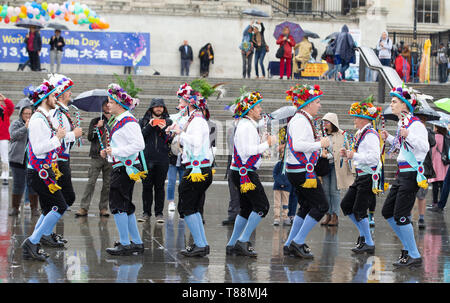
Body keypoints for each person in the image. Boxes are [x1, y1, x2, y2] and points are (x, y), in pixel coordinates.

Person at [381, 85, 430, 267]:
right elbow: (402, 146)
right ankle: (409, 248)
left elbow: (424, 147)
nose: (391, 105)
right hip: (402, 173)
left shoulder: (416, 125)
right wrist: (388, 138)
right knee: (387, 212)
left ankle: (414, 254)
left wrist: (408, 134)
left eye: (394, 102)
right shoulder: (403, 124)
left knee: (401, 215)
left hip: (411, 174)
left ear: (404, 105)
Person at [225, 90, 276, 257]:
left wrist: (262, 142)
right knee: (262, 207)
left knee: (246, 208)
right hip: (245, 173)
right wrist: (267, 144)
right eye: (258, 106)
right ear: (250, 110)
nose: (260, 109)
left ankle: (233, 244)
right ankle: (242, 241)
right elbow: (248, 151)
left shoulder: (245, 125)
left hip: (240, 171)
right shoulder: (246, 126)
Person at [21, 79, 67, 261]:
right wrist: (57, 138)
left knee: (49, 208)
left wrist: (61, 135)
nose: (56, 98)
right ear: (45, 98)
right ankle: (32, 241)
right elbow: (39, 148)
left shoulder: (44, 117)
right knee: (60, 206)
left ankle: (33, 242)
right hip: (39, 171)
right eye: (53, 95)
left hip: (44, 170)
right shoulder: (38, 120)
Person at [282, 84, 330, 259]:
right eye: (317, 102)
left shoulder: (301, 118)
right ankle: (298, 242)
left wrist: (318, 150)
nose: (320, 105)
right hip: (301, 172)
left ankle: (290, 244)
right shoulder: (301, 120)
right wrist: (320, 145)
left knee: (307, 206)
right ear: (308, 103)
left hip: (298, 170)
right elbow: (298, 145)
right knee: (321, 206)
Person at [166, 83, 213, 257]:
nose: (179, 105)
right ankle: (202, 244)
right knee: (192, 207)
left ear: (189, 103)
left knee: (187, 208)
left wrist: (180, 132)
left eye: (181, 101)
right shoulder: (193, 119)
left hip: (197, 169)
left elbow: (196, 142)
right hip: (196, 168)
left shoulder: (198, 120)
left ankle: (200, 244)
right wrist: (176, 131)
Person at [101, 83, 145, 256]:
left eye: (110, 102)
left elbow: (139, 144)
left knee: (118, 205)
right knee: (125, 204)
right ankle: (136, 242)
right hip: (120, 166)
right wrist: (108, 153)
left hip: (124, 169)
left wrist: (116, 152)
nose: (108, 105)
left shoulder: (129, 121)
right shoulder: (120, 121)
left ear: (119, 103)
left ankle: (125, 243)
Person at [340, 98, 381, 254]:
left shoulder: (371, 134)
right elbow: (358, 154)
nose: (354, 120)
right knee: (346, 205)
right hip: (361, 175)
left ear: (365, 119)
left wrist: (354, 155)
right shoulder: (361, 133)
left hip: (368, 176)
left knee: (359, 210)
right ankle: (365, 236)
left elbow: (374, 158)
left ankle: (368, 241)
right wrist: (349, 154)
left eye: (356, 117)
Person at [49, 74, 83, 211]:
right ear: (61, 94)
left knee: (62, 198)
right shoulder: (57, 112)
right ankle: (44, 228)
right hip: (58, 160)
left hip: (64, 158)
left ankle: (50, 227)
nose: (71, 93)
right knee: (67, 197)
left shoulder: (63, 112)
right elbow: (56, 136)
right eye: (68, 90)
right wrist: (73, 134)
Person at [75, 101, 113, 217]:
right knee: (91, 182)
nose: (107, 106)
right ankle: (83, 207)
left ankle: (103, 208)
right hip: (96, 156)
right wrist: (98, 127)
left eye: (109, 104)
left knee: (107, 184)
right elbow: (90, 137)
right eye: (105, 104)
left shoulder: (115, 121)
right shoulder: (95, 121)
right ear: (101, 107)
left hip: (110, 156)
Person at [138, 98, 172, 223]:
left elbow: (170, 140)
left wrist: (163, 128)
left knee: (159, 187)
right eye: (156, 106)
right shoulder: (143, 121)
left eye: (161, 107)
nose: (159, 109)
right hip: (146, 159)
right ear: (151, 108)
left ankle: (159, 213)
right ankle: (146, 212)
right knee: (146, 187)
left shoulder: (169, 121)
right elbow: (139, 137)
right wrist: (150, 126)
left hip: (162, 159)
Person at [320, 113, 353, 227]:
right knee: (326, 191)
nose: (324, 124)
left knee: (334, 191)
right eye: (323, 122)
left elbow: (345, 150)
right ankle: (327, 214)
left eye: (327, 122)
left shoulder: (342, 134)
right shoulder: (322, 134)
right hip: (325, 166)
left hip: (337, 167)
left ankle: (335, 215)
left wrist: (330, 155)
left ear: (333, 123)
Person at [8, 105, 39, 217]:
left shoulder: (36, 124)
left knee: (33, 184)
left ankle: (34, 208)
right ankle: (15, 208)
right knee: (18, 184)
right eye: (25, 114)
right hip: (17, 159)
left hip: (32, 159)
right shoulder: (16, 124)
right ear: (21, 114)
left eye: (30, 114)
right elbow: (12, 136)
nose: (27, 116)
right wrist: (25, 127)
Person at [413, 114, 436, 229]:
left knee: (421, 194)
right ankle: (408, 216)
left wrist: (424, 130)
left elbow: (432, 143)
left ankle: (421, 218)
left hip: (424, 167)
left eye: (423, 120)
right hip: (411, 165)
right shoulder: (411, 130)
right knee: (409, 193)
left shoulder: (428, 131)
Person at [222, 116, 241, 226]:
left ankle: (242, 214)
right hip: (232, 164)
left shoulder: (246, 127)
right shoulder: (232, 128)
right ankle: (233, 214)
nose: (236, 119)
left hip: (242, 165)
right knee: (233, 191)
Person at [428, 124, 449, 208]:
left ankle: (435, 202)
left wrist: (429, 161)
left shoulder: (436, 137)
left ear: (436, 128)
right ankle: (441, 202)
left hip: (436, 162)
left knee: (435, 183)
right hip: (444, 163)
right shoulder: (446, 137)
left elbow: (432, 151)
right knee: (442, 184)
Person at [272, 145, 291, 226]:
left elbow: (291, 176)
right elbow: (275, 174)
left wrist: (285, 183)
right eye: (283, 153)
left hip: (286, 187)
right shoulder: (279, 164)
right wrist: (280, 182)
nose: (284, 154)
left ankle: (285, 217)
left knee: (285, 203)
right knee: (277, 203)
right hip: (277, 186)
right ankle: (276, 218)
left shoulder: (290, 165)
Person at [0, 93, 14, 185]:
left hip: (3, 137)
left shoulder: (4, 111)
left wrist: (4, 99)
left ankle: (5, 176)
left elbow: (11, 107)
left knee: (5, 157)